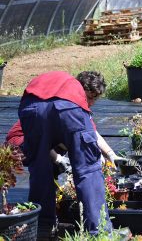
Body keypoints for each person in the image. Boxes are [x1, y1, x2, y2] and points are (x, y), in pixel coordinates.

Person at [17, 70, 120, 238]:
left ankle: (42, 229)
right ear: (83, 88)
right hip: (66, 110)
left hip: (31, 107)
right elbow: (85, 136)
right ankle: (98, 232)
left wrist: (110, 153)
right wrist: (60, 157)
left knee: (40, 170)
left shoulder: (58, 82)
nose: (92, 102)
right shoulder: (73, 93)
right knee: (88, 171)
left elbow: (91, 130)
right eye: (91, 97)